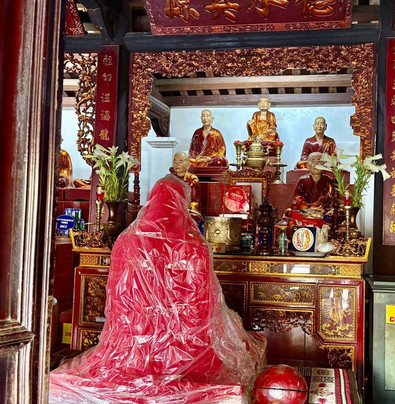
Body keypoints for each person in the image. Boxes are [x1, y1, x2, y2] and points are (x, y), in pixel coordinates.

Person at [49, 174, 266, 403]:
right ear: (181, 203)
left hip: (132, 342)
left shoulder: (126, 241)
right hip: (185, 348)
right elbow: (201, 307)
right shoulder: (194, 245)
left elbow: (119, 301)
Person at [171, 151, 202, 219]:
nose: (177, 164)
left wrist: (187, 207)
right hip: (173, 206)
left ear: (188, 165)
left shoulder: (192, 179)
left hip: (188, 208)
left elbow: (195, 201)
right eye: (175, 162)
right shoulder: (170, 179)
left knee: (191, 216)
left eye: (180, 162)